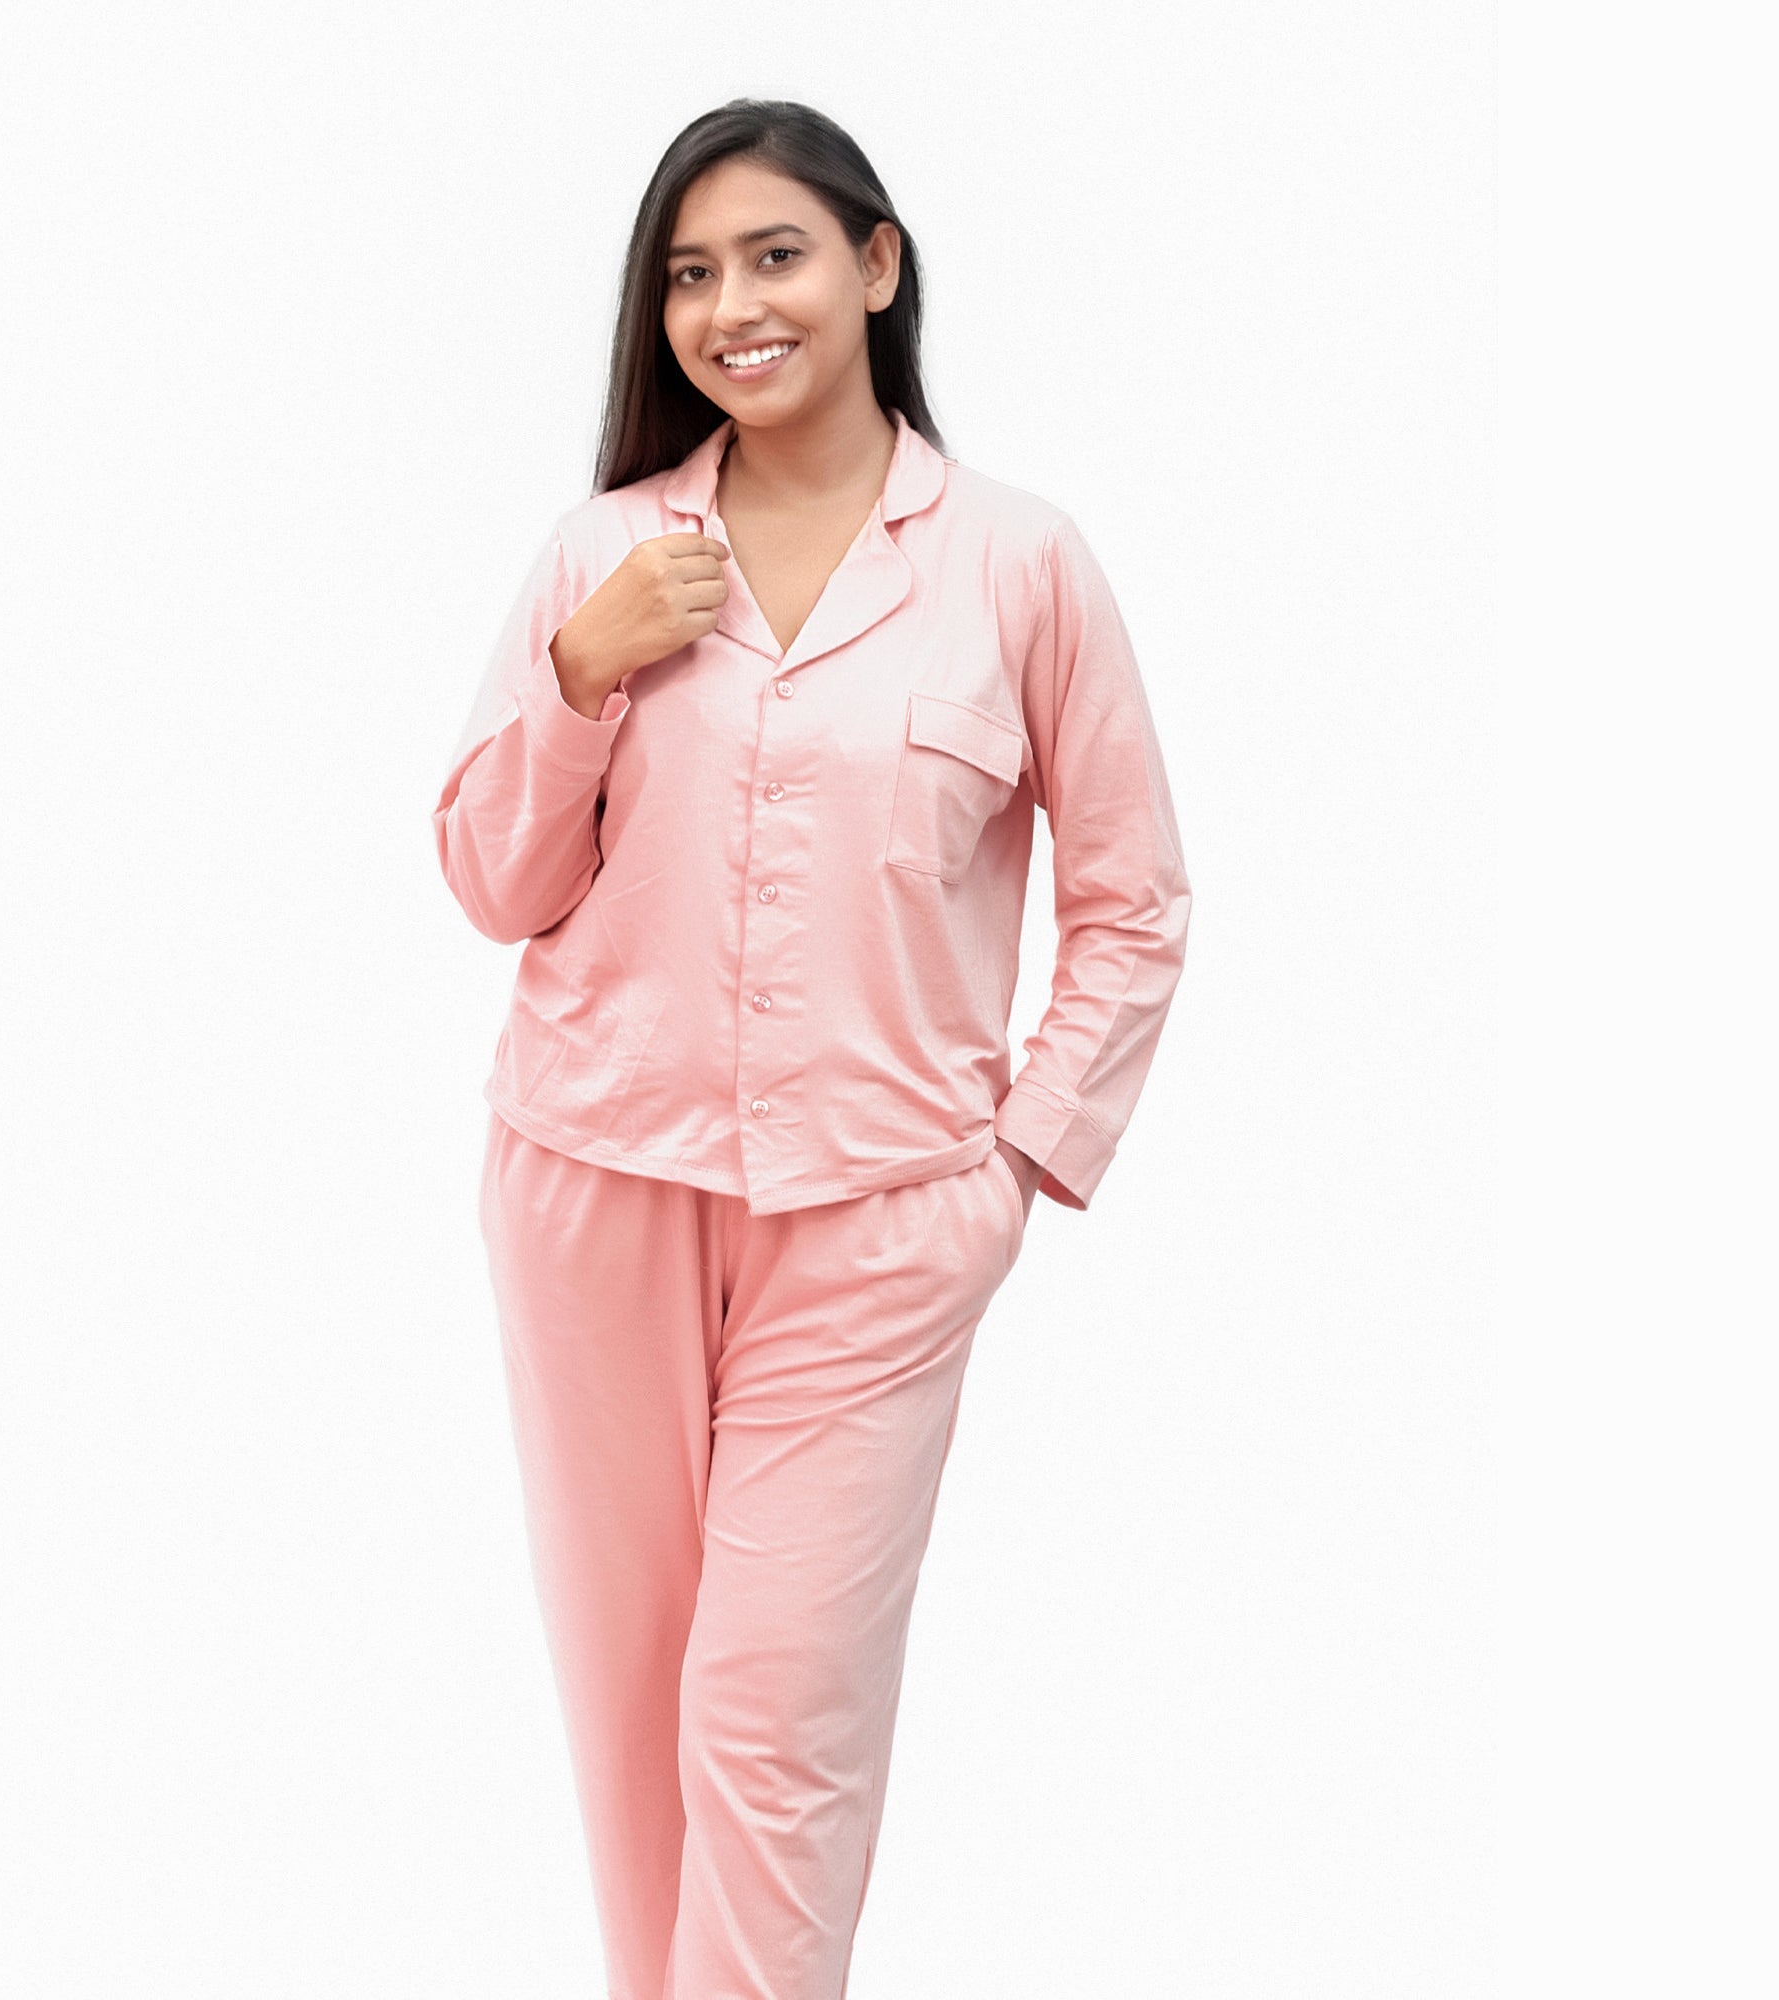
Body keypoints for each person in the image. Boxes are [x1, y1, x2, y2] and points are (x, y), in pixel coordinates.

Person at [431, 96, 1192, 2000]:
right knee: (634, 1722)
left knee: (775, 1723)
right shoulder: (603, 555)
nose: (728, 306)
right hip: (594, 1180)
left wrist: (1014, 1168)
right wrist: (582, 671)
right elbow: (491, 882)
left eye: (774, 254)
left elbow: (1134, 897)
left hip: (878, 1219)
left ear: (875, 263)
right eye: (688, 273)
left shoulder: (1020, 564)